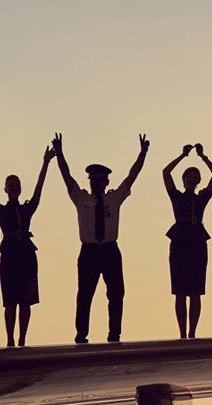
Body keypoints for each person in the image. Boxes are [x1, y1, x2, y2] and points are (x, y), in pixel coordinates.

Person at [52, 132, 149, 343]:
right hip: (88, 251)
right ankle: (81, 335)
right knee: (85, 294)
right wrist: (60, 154)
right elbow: (67, 177)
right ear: (90, 182)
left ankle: (114, 335)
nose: (96, 183)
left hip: (110, 250)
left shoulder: (113, 198)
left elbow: (131, 177)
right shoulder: (81, 198)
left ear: (106, 182)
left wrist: (142, 155)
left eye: (100, 180)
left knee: (116, 293)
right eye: (93, 180)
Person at [0, 143, 55, 346]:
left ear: (20, 188)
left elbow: (39, 189)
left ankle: (22, 339)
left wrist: (46, 163)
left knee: (26, 300)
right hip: (9, 254)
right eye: (10, 185)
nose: (14, 187)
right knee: (10, 301)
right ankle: (10, 340)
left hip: (27, 254)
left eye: (16, 184)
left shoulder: (27, 209)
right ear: (5, 189)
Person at [162, 143, 212, 338]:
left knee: (196, 291)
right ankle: (182, 334)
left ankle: (192, 333)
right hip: (179, 241)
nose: (192, 179)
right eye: (189, 176)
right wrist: (182, 156)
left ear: (198, 182)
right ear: (184, 179)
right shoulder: (176, 196)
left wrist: (203, 157)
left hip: (197, 242)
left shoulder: (202, 198)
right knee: (179, 290)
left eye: (195, 177)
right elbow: (166, 172)